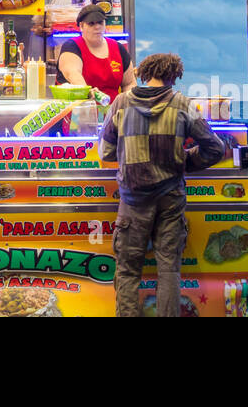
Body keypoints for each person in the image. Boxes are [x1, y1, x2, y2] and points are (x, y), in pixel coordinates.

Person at [99, 52, 227, 317]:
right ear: (174, 75)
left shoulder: (120, 103)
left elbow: (106, 153)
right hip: (170, 198)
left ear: (145, 72)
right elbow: (215, 148)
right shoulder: (182, 104)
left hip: (133, 200)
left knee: (127, 271)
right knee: (169, 269)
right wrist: (184, 161)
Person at [56, 4, 134, 101]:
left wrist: (126, 104)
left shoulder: (118, 48)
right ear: (81, 26)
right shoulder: (72, 47)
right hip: (80, 111)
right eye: (91, 23)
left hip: (113, 112)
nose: (97, 27)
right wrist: (86, 91)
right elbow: (73, 74)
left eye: (100, 23)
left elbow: (129, 83)